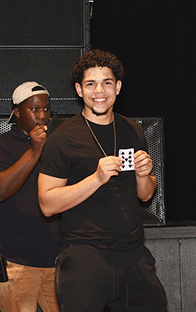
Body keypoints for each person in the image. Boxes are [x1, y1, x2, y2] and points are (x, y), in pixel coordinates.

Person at [38, 49, 167, 312]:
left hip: (133, 253)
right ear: (78, 89)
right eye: (90, 84)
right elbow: (47, 203)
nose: (99, 91)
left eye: (107, 83)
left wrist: (145, 175)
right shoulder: (62, 138)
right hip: (86, 256)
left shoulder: (133, 129)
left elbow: (145, 195)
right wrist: (96, 178)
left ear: (118, 87)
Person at [0, 81, 60, 312]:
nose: (42, 116)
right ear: (16, 112)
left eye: (46, 109)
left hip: (56, 258)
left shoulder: (58, 145)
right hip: (14, 259)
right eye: (34, 109)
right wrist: (34, 151)